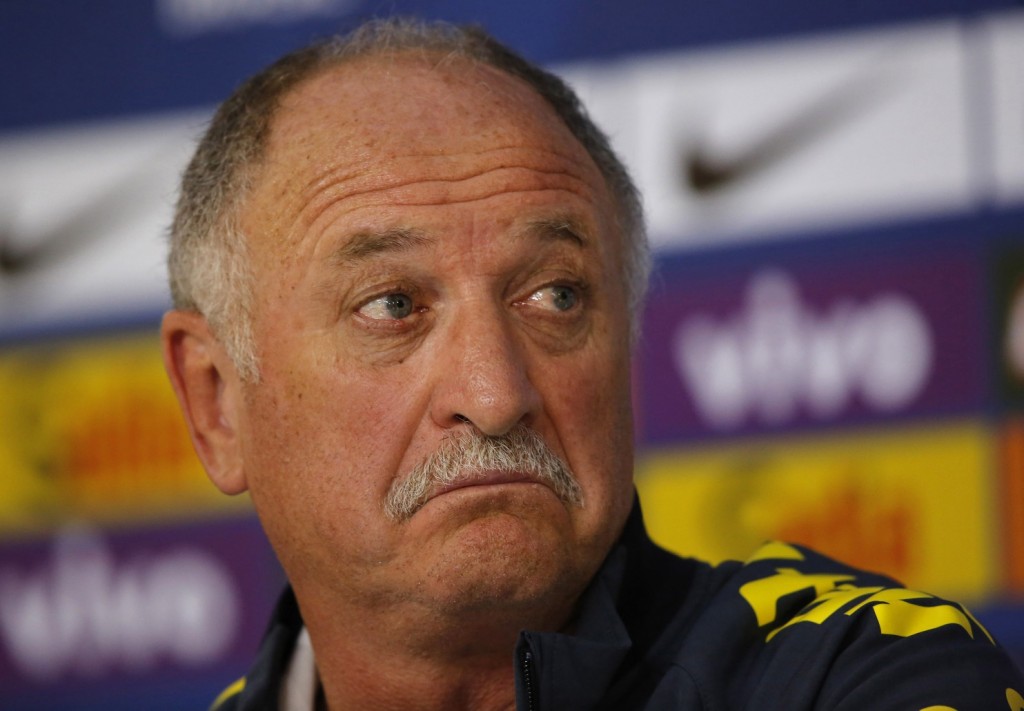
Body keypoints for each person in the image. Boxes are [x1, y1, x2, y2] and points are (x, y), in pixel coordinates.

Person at [160, 17, 1024, 711]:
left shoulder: (856, 676)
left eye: (556, 296)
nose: (497, 395)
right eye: (393, 305)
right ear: (216, 402)